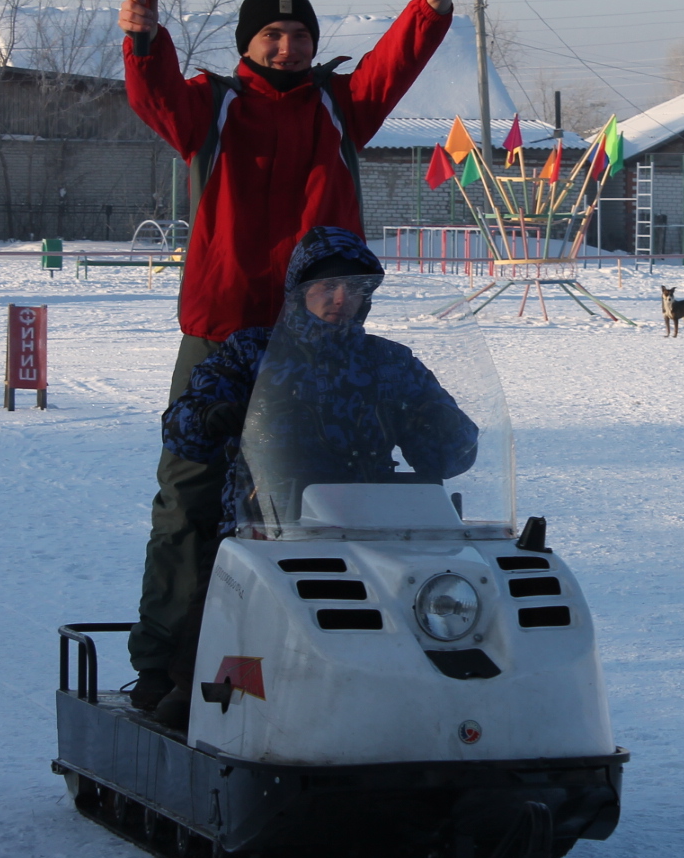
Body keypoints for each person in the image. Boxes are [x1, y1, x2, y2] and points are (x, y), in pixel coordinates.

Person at [119, 0, 460, 713]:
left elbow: (393, 67)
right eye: (273, 34)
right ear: (248, 43)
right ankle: (167, 664)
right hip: (220, 332)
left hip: (318, 338)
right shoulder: (212, 108)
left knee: (323, 501)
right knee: (191, 500)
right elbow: (155, 94)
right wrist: (143, 40)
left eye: (300, 33)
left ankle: (336, 664)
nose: (288, 45)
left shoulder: (340, 108)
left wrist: (435, 4)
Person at [152, 226, 479, 726]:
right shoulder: (252, 353)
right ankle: (196, 699)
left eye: (356, 288)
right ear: (300, 291)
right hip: (268, 530)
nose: (341, 299)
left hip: (375, 530)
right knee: (191, 693)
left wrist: (441, 433)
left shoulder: (389, 363)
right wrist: (213, 415)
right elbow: (179, 428)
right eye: (327, 287)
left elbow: (454, 448)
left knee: (442, 623)